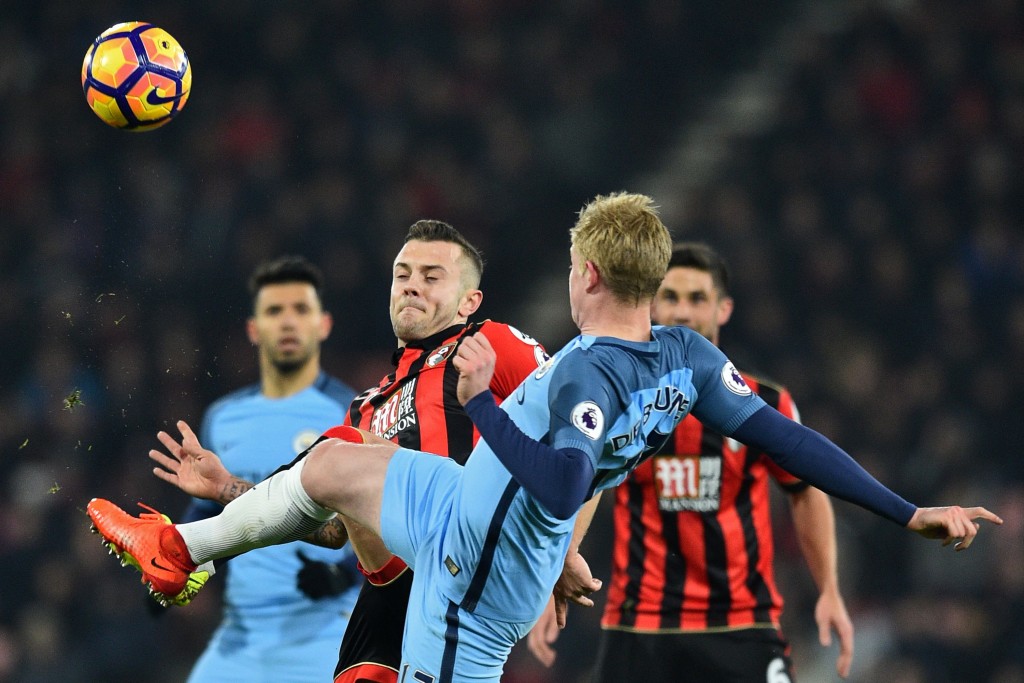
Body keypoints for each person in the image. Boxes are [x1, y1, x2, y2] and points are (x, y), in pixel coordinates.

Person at [87, 192, 1001, 683]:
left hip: (475, 561)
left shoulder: (578, 373)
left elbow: (563, 487)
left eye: (571, 265)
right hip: (456, 500)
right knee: (334, 463)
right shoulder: (683, 355)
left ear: (591, 273)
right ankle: (182, 550)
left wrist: (485, 408)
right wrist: (906, 508)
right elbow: (789, 443)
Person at [148, 220, 548, 683]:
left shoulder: (487, 345)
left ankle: (188, 548)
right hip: (385, 593)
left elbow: (578, 424)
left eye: (432, 277)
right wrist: (225, 487)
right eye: (403, 274)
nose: (412, 286)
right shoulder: (364, 408)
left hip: (455, 557)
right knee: (340, 447)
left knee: (342, 447)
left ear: (469, 300)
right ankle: (193, 547)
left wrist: (561, 548)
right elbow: (333, 531)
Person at [527, 242, 854, 681]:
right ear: (652, 305)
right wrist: (559, 566)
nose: (683, 312)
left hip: (741, 622)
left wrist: (829, 588)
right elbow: (588, 482)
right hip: (640, 624)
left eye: (697, 298)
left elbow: (804, 492)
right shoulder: (623, 398)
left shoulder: (764, 405)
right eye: (671, 297)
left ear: (723, 309)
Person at [163, 255, 361, 682]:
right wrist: (174, 564)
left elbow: (379, 521)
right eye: (275, 311)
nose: (288, 322)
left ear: (323, 325)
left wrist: (342, 575)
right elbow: (210, 513)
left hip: (325, 630)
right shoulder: (223, 416)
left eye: (300, 309)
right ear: (253, 329)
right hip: (241, 635)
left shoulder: (351, 414)